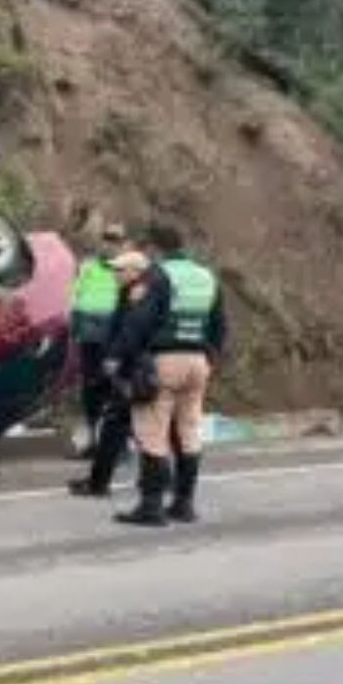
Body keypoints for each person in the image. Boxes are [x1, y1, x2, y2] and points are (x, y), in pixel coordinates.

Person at [106, 223, 227, 527]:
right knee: (188, 432)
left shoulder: (158, 276)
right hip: (198, 362)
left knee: (152, 433)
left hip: (164, 360)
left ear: (155, 249)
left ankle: (151, 506)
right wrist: (210, 356)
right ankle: (184, 504)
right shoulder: (206, 276)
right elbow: (219, 325)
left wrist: (116, 356)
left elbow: (139, 321)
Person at [66, 249, 151, 498]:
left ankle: (100, 484)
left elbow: (132, 332)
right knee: (126, 424)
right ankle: (103, 482)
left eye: (120, 270)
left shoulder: (140, 296)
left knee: (126, 424)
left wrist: (114, 358)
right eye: (114, 269)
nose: (115, 274)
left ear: (136, 272)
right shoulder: (128, 293)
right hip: (130, 367)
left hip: (134, 369)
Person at [68, 222, 128, 457]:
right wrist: (74, 329)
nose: (110, 245)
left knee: (114, 389)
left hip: (113, 338)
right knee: (91, 390)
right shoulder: (88, 267)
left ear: (122, 245)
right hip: (89, 338)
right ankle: (93, 441)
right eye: (107, 239)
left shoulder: (127, 269)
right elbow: (74, 297)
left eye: (115, 240)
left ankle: (117, 444)